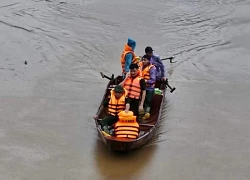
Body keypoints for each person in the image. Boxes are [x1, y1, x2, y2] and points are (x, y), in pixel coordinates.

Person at [139, 55, 156, 120]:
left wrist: (145, 81)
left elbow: (153, 80)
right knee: (141, 101)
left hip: (149, 88)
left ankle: (147, 113)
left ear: (149, 61)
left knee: (148, 101)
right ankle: (141, 114)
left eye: (145, 60)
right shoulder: (140, 66)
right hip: (141, 87)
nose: (143, 61)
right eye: (142, 60)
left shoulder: (152, 68)